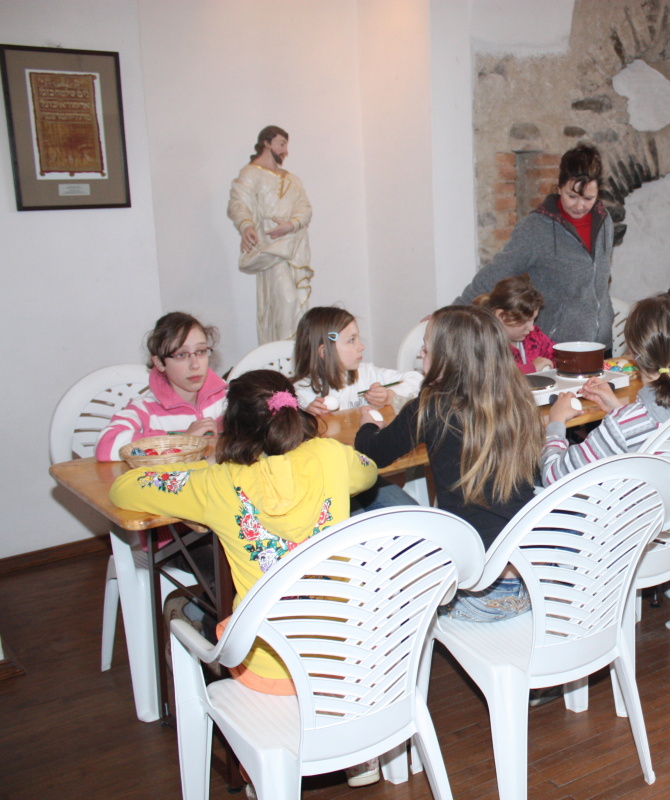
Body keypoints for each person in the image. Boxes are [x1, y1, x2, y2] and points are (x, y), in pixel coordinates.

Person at [109, 370, 384, 788]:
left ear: (232, 426)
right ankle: (354, 753)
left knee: (197, 617)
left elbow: (124, 489)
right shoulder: (331, 455)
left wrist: (196, 471)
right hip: (342, 656)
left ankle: (261, 770)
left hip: (266, 668)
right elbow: (368, 471)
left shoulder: (217, 483)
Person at [355, 305, 541, 621]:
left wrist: (368, 424)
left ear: (448, 361)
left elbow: (371, 454)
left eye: (427, 349)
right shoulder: (518, 401)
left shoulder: (432, 406)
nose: (421, 354)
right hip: (534, 584)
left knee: (366, 493)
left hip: (477, 596)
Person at [453, 143, 614, 348]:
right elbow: (497, 271)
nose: (579, 205)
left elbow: (599, 280)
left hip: (601, 343)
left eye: (588, 198)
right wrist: (454, 312)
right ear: (559, 188)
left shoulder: (604, 221)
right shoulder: (536, 228)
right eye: (572, 196)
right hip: (555, 346)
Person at [540, 295, 670, 484]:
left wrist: (556, 423)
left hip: (631, 503)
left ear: (633, 352)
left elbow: (552, 477)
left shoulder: (621, 427)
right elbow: (644, 427)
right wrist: (619, 409)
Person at [96, 312, 226, 462]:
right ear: (159, 363)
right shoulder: (146, 408)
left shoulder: (226, 397)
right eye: (181, 355)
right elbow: (105, 446)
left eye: (201, 351)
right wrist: (183, 441)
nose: (195, 365)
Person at [227, 125, 313, 344]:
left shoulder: (292, 179)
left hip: (293, 248)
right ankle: (283, 356)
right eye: (281, 144)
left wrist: (291, 225)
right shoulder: (251, 173)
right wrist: (246, 226)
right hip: (271, 248)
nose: (285, 151)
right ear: (266, 142)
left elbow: (304, 208)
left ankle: (295, 356)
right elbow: (238, 203)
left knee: (298, 306)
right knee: (287, 302)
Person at [291, 306, 422, 415]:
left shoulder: (367, 373)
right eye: (351, 340)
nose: (361, 347)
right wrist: (307, 417)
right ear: (324, 352)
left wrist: (390, 395)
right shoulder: (300, 394)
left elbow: (418, 379)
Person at [474, 274, 556, 374]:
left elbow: (557, 355)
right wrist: (531, 368)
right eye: (524, 321)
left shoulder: (535, 337)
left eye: (533, 319)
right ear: (501, 316)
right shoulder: (485, 343)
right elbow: (493, 376)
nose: (531, 327)